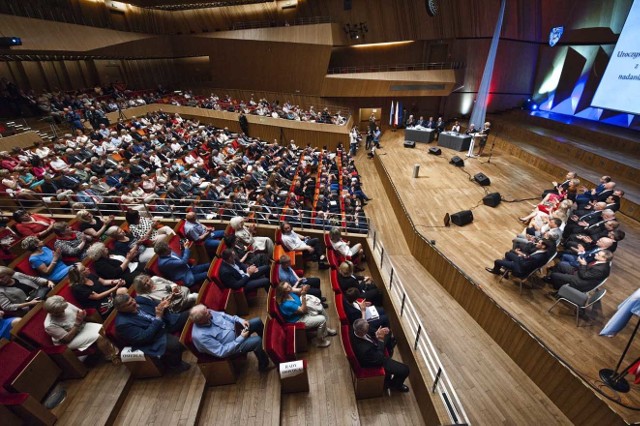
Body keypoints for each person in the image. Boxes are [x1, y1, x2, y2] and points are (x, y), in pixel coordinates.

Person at [113, 293, 190, 372]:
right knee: (177, 344)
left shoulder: (139, 300)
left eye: (132, 299)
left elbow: (158, 307)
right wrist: (158, 318)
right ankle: (174, 365)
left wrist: (164, 306)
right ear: (121, 309)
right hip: (153, 338)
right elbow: (144, 337)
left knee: (192, 313)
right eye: (129, 304)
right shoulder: (122, 324)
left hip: (164, 323)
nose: (134, 303)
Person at [189, 304, 271, 371]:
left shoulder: (207, 312)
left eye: (207, 309)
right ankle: (264, 365)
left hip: (238, 330)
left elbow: (225, 316)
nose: (210, 311)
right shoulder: (201, 336)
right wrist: (241, 338)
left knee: (257, 321)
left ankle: (267, 347)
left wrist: (241, 320)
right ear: (200, 321)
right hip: (233, 348)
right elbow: (222, 352)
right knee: (257, 341)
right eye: (206, 313)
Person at [43, 295, 119, 363]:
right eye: (60, 311)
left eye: (64, 309)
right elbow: (67, 339)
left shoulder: (64, 304)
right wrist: (78, 323)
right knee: (98, 336)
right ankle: (112, 356)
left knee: (103, 328)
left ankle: (113, 349)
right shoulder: (49, 325)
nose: (63, 311)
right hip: (69, 341)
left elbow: (80, 312)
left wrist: (83, 314)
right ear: (51, 312)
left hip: (80, 327)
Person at [351, 318, 410, 392]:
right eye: (367, 328)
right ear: (361, 332)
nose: (369, 328)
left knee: (387, 333)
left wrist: (377, 332)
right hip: (374, 361)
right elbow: (379, 356)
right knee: (405, 370)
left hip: (373, 350)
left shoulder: (355, 329)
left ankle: (390, 348)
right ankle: (395, 385)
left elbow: (369, 330)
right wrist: (381, 339)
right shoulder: (364, 349)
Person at [276, 281, 335, 348]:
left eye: (289, 285)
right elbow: (303, 310)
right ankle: (319, 341)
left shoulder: (289, 292)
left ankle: (325, 330)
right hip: (299, 319)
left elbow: (299, 290)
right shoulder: (287, 304)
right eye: (287, 287)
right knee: (322, 319)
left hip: (302, 311)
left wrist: (304, 288)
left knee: (319, 307)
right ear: (284, 292)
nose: (290, 287)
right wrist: (303, 295)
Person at [548, 250, 612, 292]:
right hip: (581, 273)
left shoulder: (600, 269)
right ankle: (554, 281)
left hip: (581, 281)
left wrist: (583, 264)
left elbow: (584, 276)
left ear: (604, 259)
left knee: (554, 275)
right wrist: (583, 265)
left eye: (598, 254)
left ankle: (559, 289)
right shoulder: (599, 261)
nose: (596, 254)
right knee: (560, 264)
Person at [485, 239, 554, 278]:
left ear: (543, 246)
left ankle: (496, 271)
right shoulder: (545, 253)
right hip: (525, 262)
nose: (536, 243)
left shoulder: (538, 257)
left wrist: (520, 257)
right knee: (508, 254)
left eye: (539, 243)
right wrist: (521, 254)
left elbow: (525, 264)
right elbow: (530, 258)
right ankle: (506, 271)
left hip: (521, 269)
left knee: (497, 261)